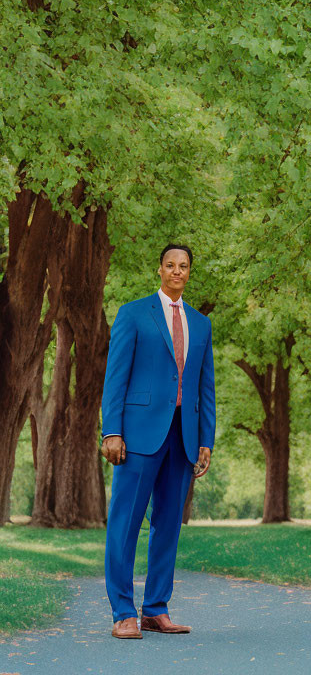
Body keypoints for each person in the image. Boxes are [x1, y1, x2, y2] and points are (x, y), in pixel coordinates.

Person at [100, 244, 215, 639]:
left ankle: (155, 609)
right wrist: (111, 431)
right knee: (125, 522)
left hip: (184, 434)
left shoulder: (201, 324)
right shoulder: (133, 314)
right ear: (160, 269)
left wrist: (206, 438)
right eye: (170, 265)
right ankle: (122, 612)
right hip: (138, 435)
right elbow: (115, 377)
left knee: (167, 525)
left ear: (189, 272)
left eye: (183, 266)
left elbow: (205, 386)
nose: (177, 271)